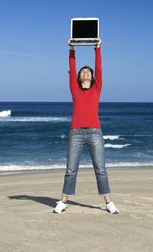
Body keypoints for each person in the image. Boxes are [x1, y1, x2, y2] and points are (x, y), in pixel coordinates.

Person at [53, 39, 119, 214]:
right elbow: (72, 67)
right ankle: (63, 201)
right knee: (71, 170)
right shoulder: (74, 89)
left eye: (88, 71)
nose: (85, 73)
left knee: (101, 169)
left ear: (91, 76)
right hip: (75, 133)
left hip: (95, 133)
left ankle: (108, 202)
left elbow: (99, 68)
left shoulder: (97, 89)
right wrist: (71, 49)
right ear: (79, 77)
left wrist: (97, 49)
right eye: (83, 72)